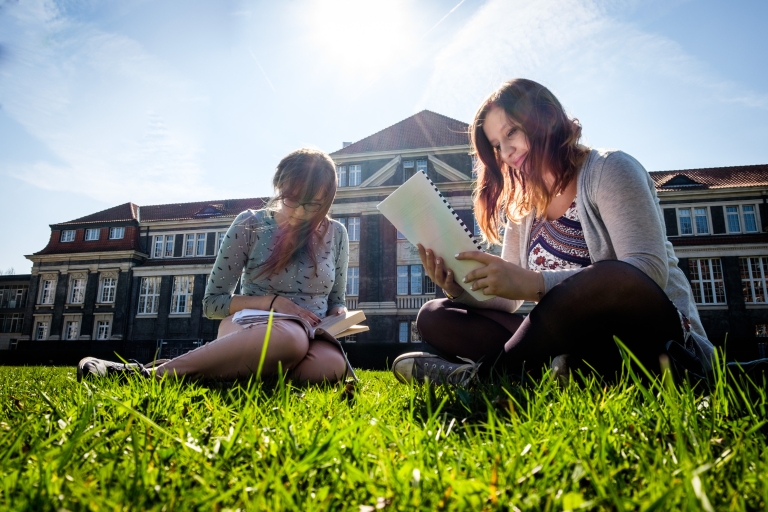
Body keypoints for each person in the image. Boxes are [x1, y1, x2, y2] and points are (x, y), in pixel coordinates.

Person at [392, 78, 714, 386]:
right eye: (496, 146)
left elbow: (647, 269)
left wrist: (533, 283)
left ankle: (482, 377)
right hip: (572, 348)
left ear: (544, 117)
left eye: (512, 132)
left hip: (653, 341)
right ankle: (545, 369)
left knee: (607, 277)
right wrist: (459, 286)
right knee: (435, 314)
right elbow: (509, 299)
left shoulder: (609, 168)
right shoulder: (524, 208)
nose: (506, 153)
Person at [78, 148, 351, 384]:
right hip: (255, 325)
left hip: (313, 335)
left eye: (313, 204)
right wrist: (274, 303)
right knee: (289, 340)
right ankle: (145, 375)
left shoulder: (336, 233)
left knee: (327, 369)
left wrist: (339, 312)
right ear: (280, 189)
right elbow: (213, 304)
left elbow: (336, 299)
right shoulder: (251, 224)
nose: (301, 212)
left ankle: (212, 370)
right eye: (293, 200)